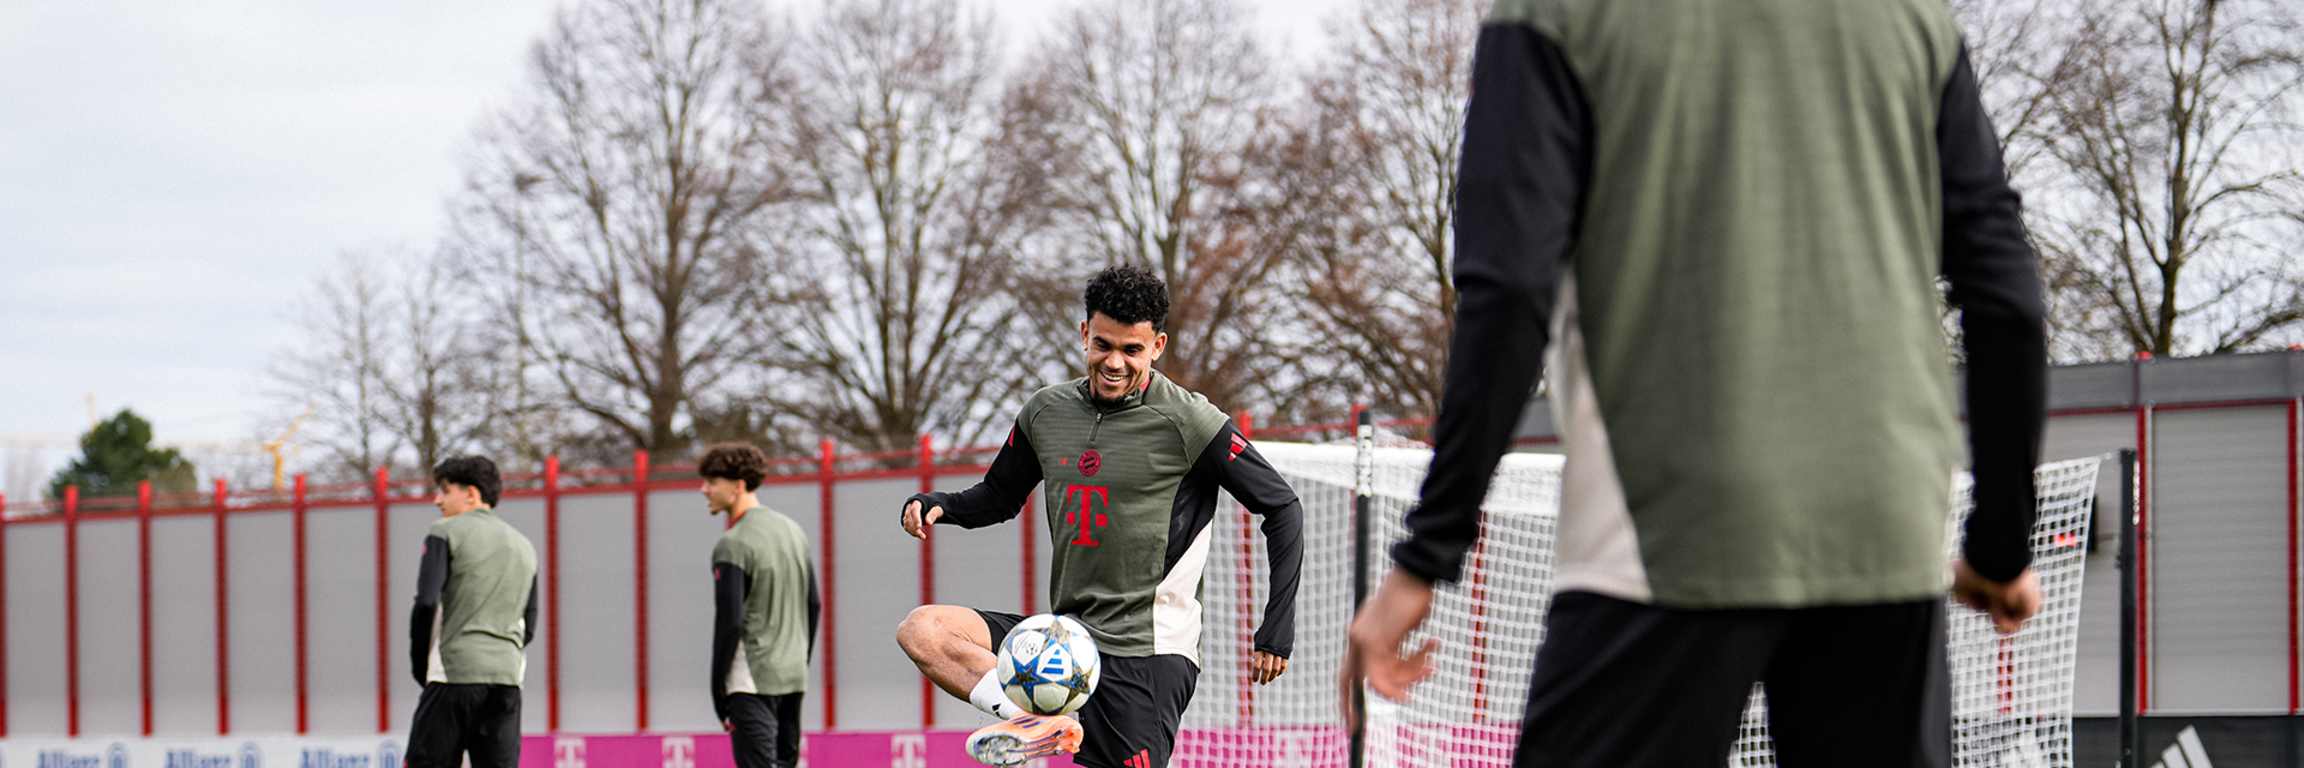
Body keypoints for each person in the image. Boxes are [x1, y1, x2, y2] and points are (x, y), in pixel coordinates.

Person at [1341, 1, 2049, 765]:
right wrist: (2003, 543)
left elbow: (1510, 293)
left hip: (1662, 529)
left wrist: (1426, 556)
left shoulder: (1552, 16)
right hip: (1883, 526)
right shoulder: (1909, 18)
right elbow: (2007, 294)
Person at [894, 265, 1304, 767]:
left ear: (1157, 346)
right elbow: (1000, 496)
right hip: (1065, 643)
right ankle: (1036, 721)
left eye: (1131, 350)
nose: (1114, 362)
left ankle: (1043, 719)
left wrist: (1276, 629)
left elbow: (1282, 506)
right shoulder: (1046, 412)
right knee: (925, 630)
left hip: (1146, 655)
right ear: (1085, 333)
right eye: (1103, 345)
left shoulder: (1190, 421)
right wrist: (941, 505)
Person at [407, 456, 539, 768]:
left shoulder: (444, 532)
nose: (437, 499)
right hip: (507, 680)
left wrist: (420, 666)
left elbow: (426, 602)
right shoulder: (524, 546)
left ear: (471, 493)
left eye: (445, 490)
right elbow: (529, 624)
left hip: (453, 674)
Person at [701, 443, 820, 768]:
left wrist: (718, 691)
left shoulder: (733, 543)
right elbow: (814, 604)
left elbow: (731, 622)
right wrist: (798, 661)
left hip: (750, 680)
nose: (704, 489)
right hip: (793, 676)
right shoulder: (794, 532)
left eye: (712, 482)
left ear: (737, 486)